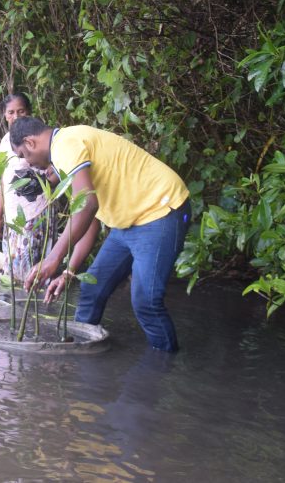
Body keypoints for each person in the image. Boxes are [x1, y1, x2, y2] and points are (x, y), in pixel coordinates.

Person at [10, 117, 191, 352]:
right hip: (127, 223)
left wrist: (52, 259)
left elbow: (86, 206)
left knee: (146, 301)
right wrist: (68, 271)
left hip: (161, 211)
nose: (30, 164)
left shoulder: (64, 145)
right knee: (92, 288)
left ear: (30, 142)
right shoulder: (67, 156)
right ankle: (79, 352)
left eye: (24, 155)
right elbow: (89, 222)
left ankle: (164, 367)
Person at [0, 93, 53, 282]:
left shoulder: (38, 140)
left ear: (29, 113)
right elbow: (4, 181)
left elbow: (53, 172)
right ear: (4, 115)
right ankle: (14, 310)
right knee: (12, 271)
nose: (16, 116)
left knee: (32, 269)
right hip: (13, 217)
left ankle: (34, 307)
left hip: (35, 213)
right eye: (11, 112)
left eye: (21, 111)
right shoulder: (4, 142)